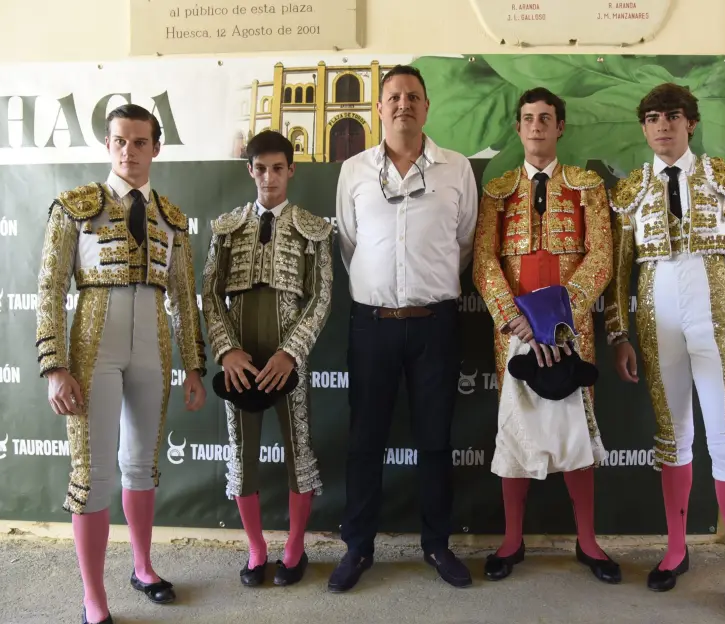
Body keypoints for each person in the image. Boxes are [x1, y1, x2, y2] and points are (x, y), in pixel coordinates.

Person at [604, 83, 725, 624]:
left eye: (673, 117)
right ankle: (677, 550)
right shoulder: (631, 190)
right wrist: (618, 333)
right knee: (673, 434)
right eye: (653, 118)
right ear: (644, 127)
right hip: (657, 330)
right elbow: (620, 272)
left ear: (691, 123)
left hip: (716, 327)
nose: (663, 127)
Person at [34, 103, 207, 624]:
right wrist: (54, 364)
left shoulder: (172, 218)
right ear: (108, 146)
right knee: (92, 470)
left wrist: (195, 366)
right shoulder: (74, 206)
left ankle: (143, 566)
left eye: (139, 141)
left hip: (152, 343)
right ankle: (93, 596)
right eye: (119, 141)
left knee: (141, 464)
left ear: (156, 147)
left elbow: (184, 296)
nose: (129, 151)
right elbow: (50, 287)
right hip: (93, 343)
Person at [329, 64, 479, 592]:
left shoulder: (456, 169)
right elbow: (349, 245)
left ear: (426, 107)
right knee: (365, 441)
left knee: (435, 440)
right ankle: (359, 548)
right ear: (379, 108)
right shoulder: (353, 171)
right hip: (372, 325)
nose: (403, 105)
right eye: (393, 97)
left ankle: (438, 545)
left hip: (435, 324)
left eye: (413, 96)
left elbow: (462, 245)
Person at [472, 87, 620, 584]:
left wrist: (560, 315)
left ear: (560, 128)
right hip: (514, 330)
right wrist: (511, 317)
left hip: (568, 329)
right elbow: (484, 261)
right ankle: (512, 541)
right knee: (517, 427)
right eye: (528, 118)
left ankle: (588, 541)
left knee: (577, 426)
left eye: (546, 119)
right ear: (518, 128)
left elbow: (602, 256)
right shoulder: (496, 189)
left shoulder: (587, 187)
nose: (536, 126)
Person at [201, 130, 334, 588]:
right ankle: (257, 548)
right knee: (243, 456)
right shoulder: (227, 227)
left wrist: (291, 353)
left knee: (301, 453)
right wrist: (226, 349)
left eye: (279, 168)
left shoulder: (313, 227)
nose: (270, 177)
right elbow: (210, 296)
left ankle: (294, 547)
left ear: (291, 170)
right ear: (250, 170)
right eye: (261, 168)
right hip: (239, 361)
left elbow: (320, 299)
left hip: (287, 360)